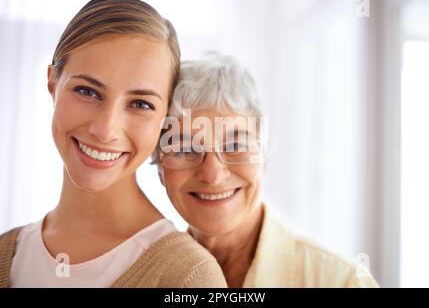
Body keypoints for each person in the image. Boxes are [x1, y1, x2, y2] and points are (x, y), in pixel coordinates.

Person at [0, 0, 226, 288]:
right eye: (87, 91)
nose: (106, 130)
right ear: (53, 84)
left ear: (165, 117)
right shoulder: (7, 252)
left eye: (141, 104)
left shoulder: (189, 278)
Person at [153, 53, 379, 288]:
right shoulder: (146, 279)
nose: (212, 175)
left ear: (264, 154)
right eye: (184, 149)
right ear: (159, 166)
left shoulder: (343, 282)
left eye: (235, 146)